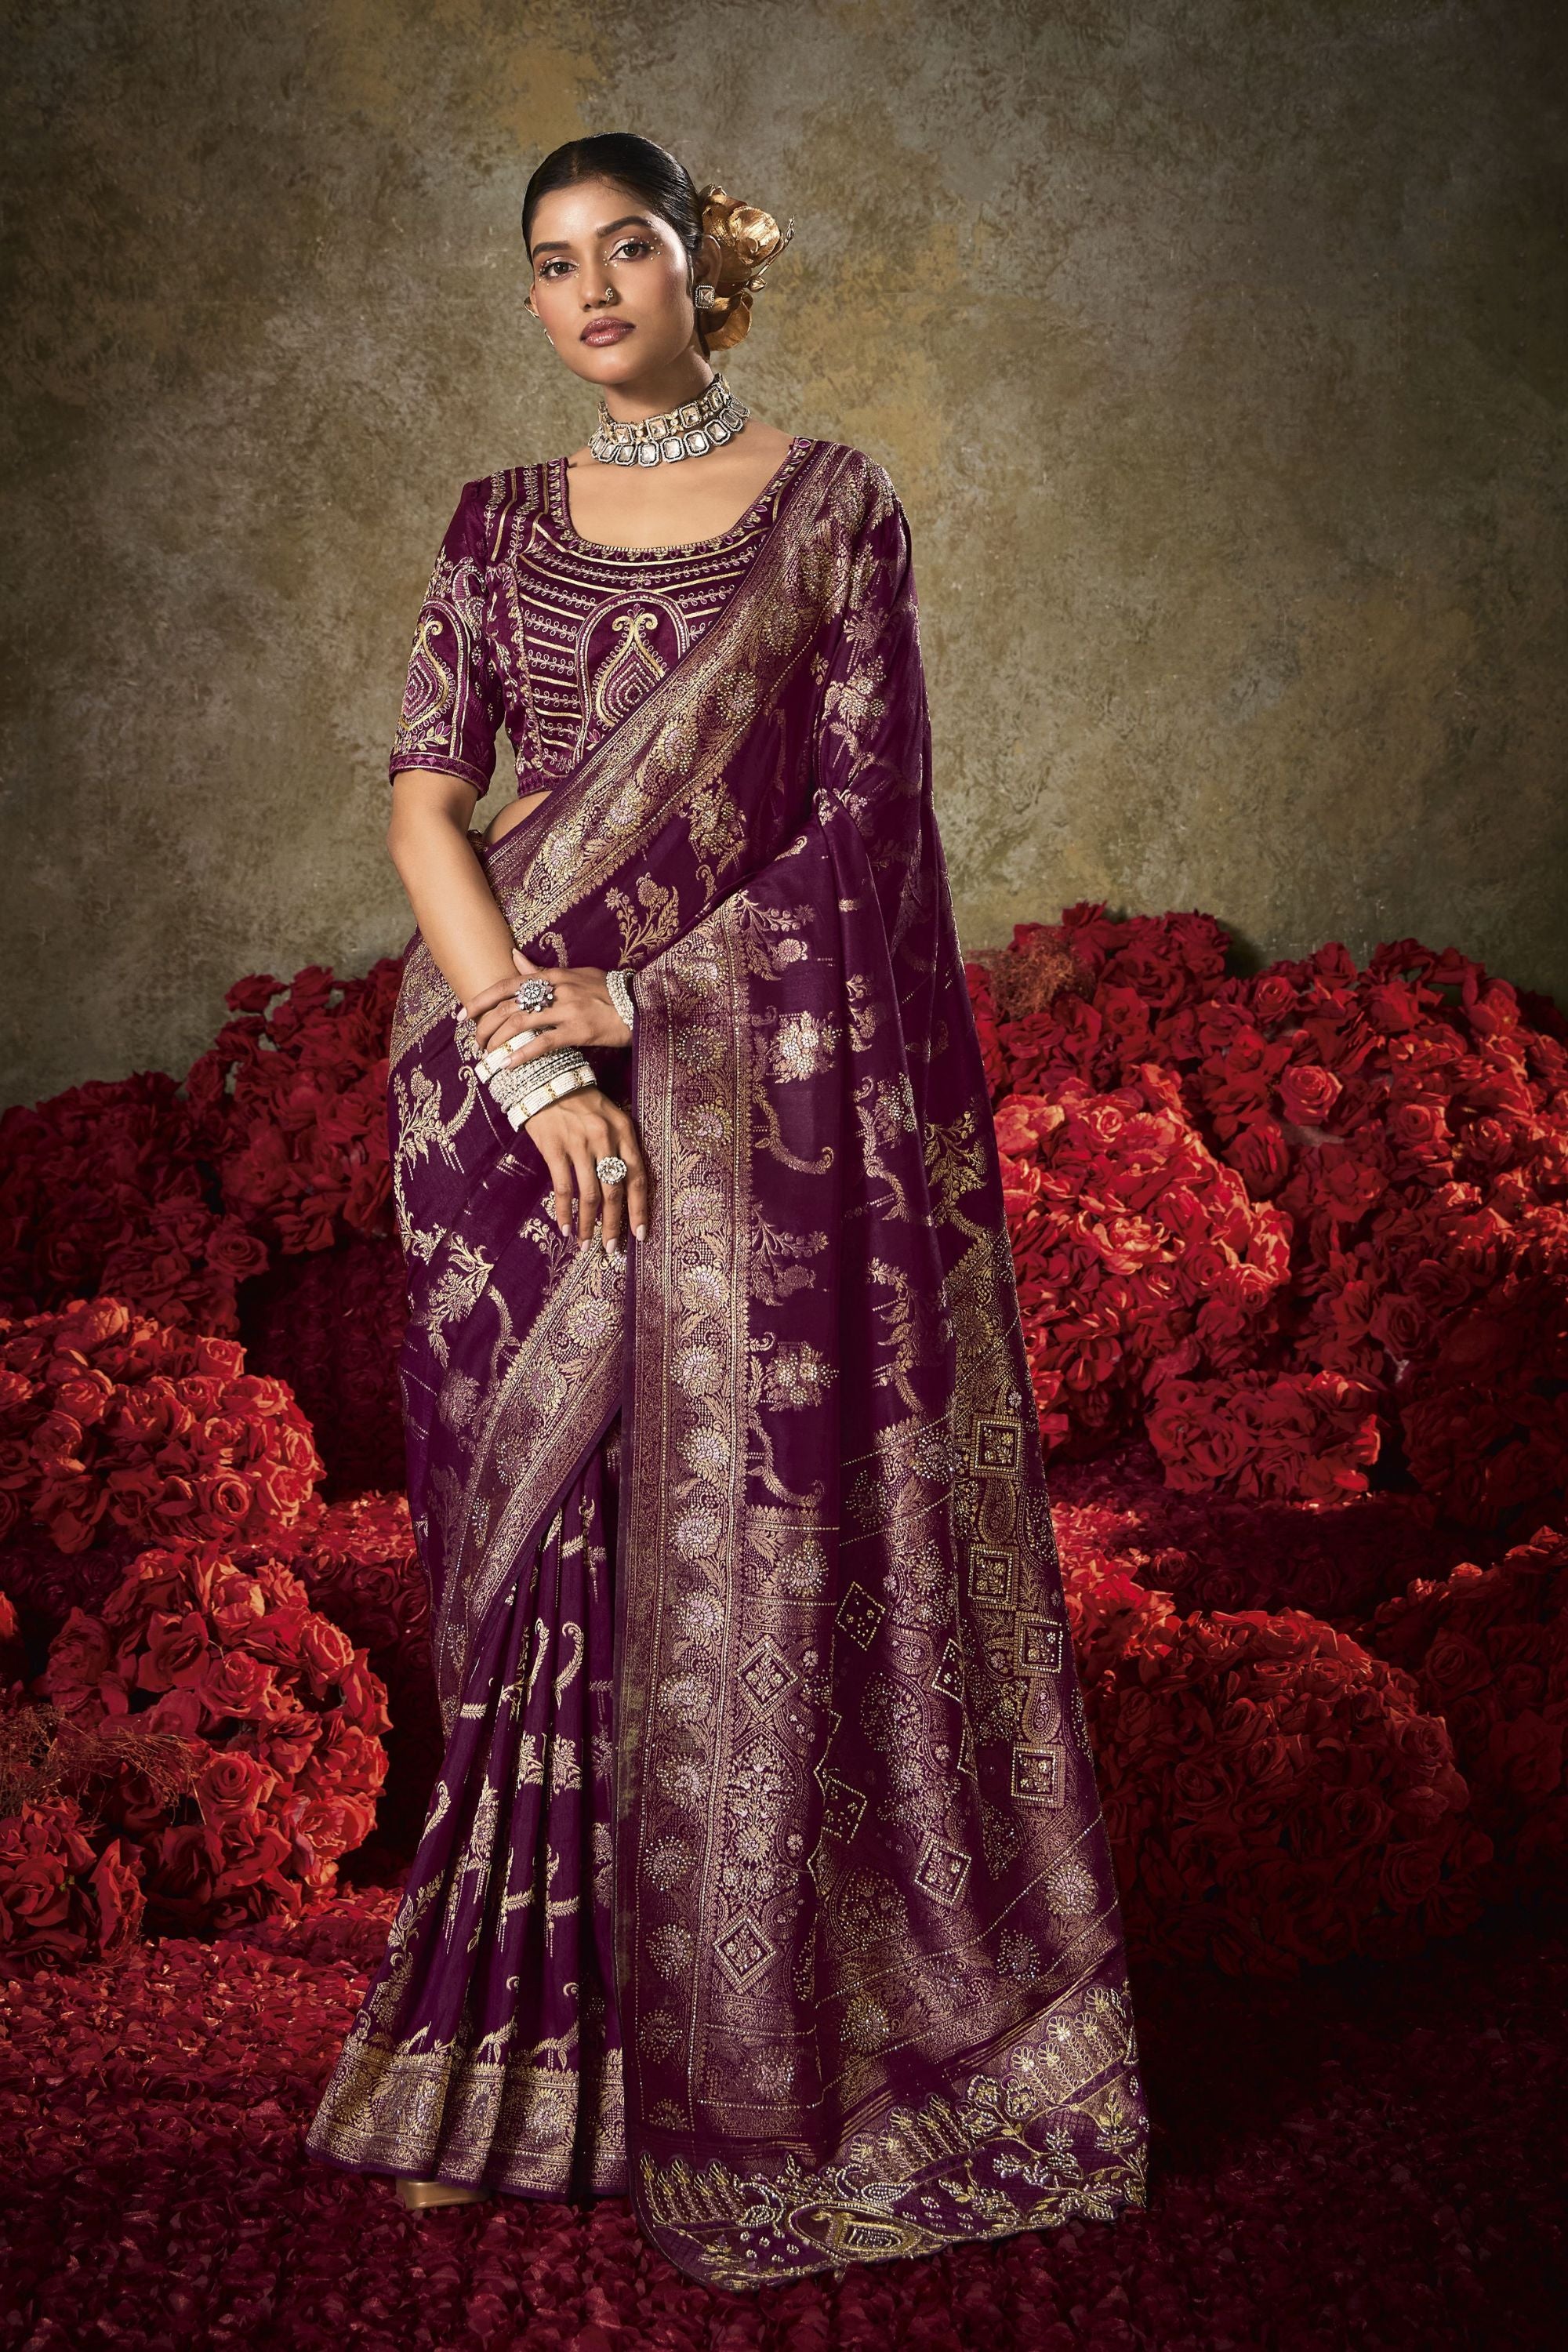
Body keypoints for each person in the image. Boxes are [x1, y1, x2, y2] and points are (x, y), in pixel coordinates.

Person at [306, 132, 1149, 2290]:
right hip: (500, 1104)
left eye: (630, 249)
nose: (591, 290)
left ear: (706, 267)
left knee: (718, 1561)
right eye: (553, 263)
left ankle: (733, 2044)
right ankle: (513, 2070)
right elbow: (425, 808)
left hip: (734, 1105)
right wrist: (529, 1059)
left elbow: (872, 841)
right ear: (530, 299)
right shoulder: (495, 525)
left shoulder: (832, 513)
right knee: (541, 1583)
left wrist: (644, 1009)